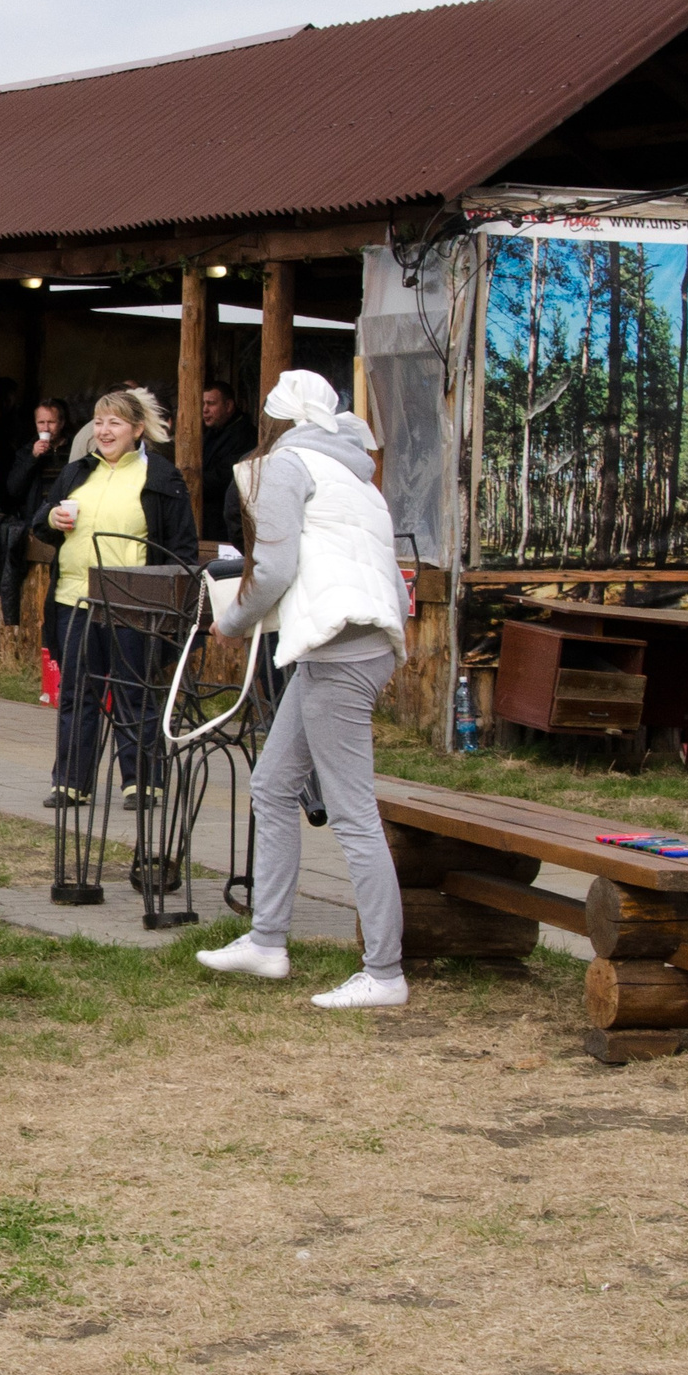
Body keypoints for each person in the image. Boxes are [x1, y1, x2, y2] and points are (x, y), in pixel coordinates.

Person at [196, 370, 409, 1009]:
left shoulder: (287, 466)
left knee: (351, 811)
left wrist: (230, 621)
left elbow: (275, 568)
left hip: (339, 646)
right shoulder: (354, 474)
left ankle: (385, 972)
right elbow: (390, 579)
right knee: (273, 785)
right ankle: (266, 940)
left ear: (275, 421)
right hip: (357, 640)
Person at [32, 386, 196, 810]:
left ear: (138, 430)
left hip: (132, 605)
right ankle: (70, 782)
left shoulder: (160, 477)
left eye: (115, 423)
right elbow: (40, 524)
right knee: (77, 693)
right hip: (75, 600)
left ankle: (142, 783)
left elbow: (181, 547)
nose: (104, 431)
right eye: (100, 422)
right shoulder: (76, 472)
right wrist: (53, 517)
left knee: (133, 692)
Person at [198, 378, 258, 543]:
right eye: (203, 403)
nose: (205, 410)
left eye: (211, 404)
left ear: (229, 406)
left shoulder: (244, 435)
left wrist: (191, 481)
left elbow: (225, 477)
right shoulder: (212, 431)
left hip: (224, 523)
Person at [1, 397, 71, 524]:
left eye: (51, 422)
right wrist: (33, 456)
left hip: (66, 515)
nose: (45, 428)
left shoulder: (73, 448)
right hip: (37, 519)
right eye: (41, 422)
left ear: (61, 423)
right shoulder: (26, 450)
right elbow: (14, 489)